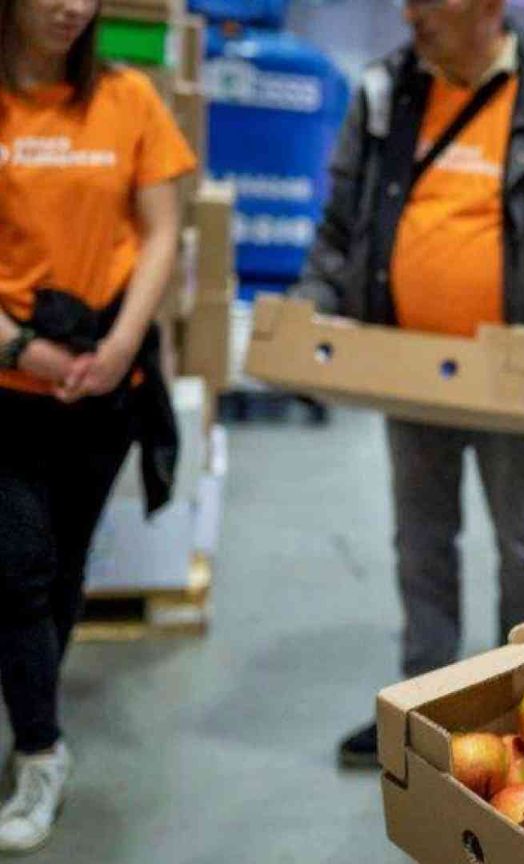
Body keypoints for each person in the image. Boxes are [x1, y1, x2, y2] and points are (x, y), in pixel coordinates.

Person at [291, 0, 524, 769]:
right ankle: (426, 703)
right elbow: (343, 217)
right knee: (421, 541)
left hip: (513, 373)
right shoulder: (387, 91)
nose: (412, 14)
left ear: (490, 6)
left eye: (433, 0)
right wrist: (314, 318)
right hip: (410, 368)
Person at [0, 0, 196, 852]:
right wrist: (19, 348)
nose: (72, 7)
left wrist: (119, 346)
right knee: (17, 565)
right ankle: (41, 751)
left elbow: (161, 234)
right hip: (8, 380)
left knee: (63, 568)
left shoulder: (128, 99)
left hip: (102, 385)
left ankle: (31, 710)